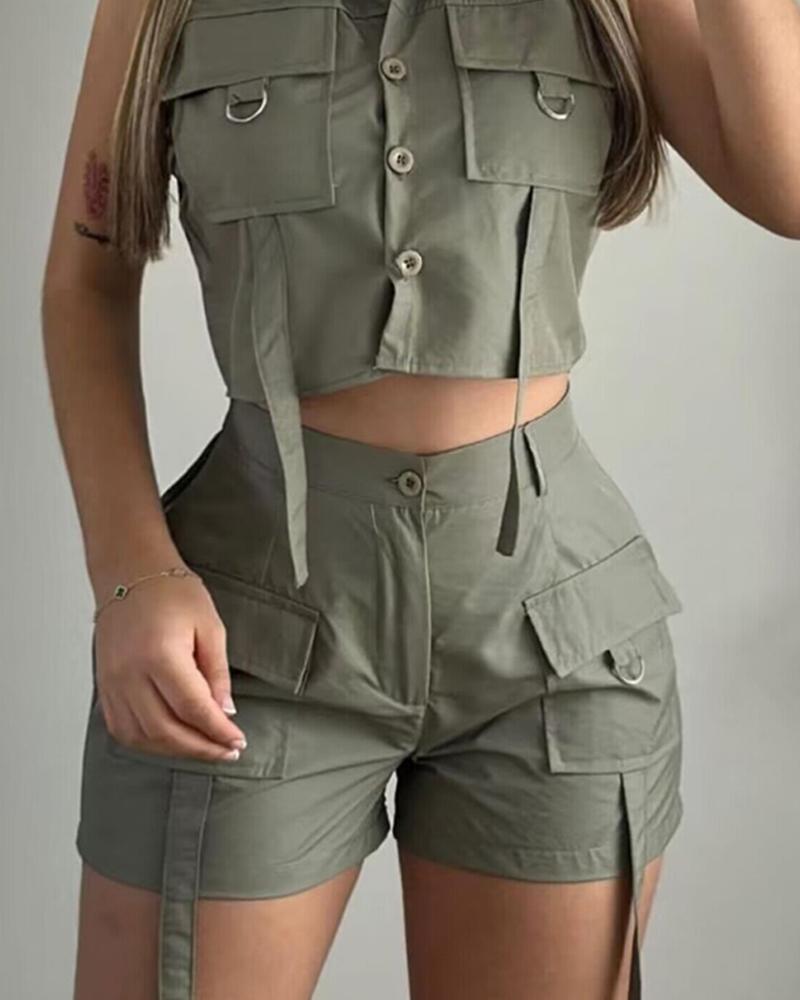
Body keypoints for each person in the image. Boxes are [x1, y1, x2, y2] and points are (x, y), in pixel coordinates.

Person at [41, 0, 800, 998]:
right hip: (242, 631)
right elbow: (87, 285)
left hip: (554, 639)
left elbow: (789, 188)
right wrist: (130, 573)